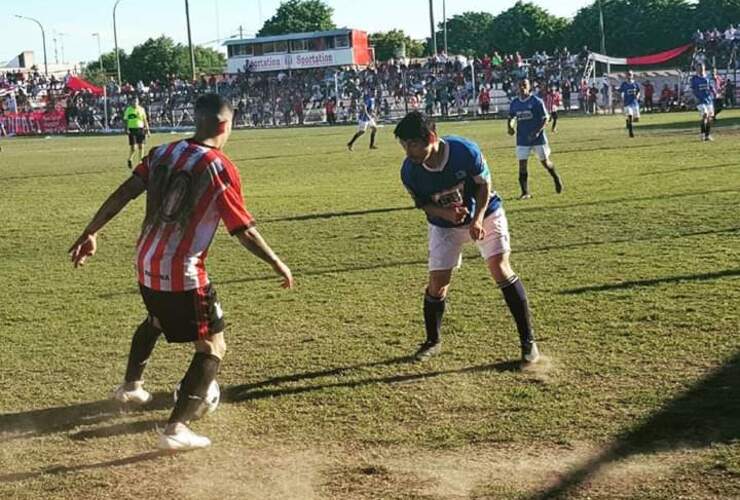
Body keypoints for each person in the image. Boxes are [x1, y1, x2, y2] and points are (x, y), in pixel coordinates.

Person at [68, 94, 294, 451]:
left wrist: (91, 231)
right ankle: (176, 428)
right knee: (213, 345)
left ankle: (131, 388)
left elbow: (125, 192)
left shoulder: (161, 152)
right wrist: (276, 262)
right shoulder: (218, 166)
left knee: (157, 319)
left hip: (145, 261)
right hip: (183, 270)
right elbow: (242, 228)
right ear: (225, 125)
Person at [395, 110, 541, 364]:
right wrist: (446, 214)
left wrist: (477, 218)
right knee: (437, 284)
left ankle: (528, 343)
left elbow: (484, 185)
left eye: (413, 145)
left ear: (431, 137)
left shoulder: (464, 151)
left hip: (486, 213)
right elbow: (423, 204)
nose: (408, 152)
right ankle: (433, 341)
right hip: (444, 224)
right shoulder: (409, 170)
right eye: (404, 146)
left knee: (499, 266)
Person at [507, 79, 563, 200]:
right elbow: (511, 117)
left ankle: (556, 177)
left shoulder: (536, 101)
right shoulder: (515, 103)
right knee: (522, 164)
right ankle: (525, 192)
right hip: (522, 138)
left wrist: (537, 132)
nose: (522, 87)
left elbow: (545, 119)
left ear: (529, 87)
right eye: (520, 85)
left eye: (524, 85)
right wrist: (510, 127)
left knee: (545, 162)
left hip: (538, 139)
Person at [123, 96, 150, 168]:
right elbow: (126, 120)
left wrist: (147, 129)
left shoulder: (141, 109)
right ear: (131, 102)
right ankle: (130, 159)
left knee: (141, 146)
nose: (135, 103)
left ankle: (140, 162)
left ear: (138, 102)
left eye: (136, 102)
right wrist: (126, 128)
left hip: (140, 129)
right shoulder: (128, 110)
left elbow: (145, 120)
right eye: (134, 101)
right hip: (132, 129)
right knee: (133, 147)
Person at [691, 63, 715, 141]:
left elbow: (711, 88)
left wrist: (716, 93)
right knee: (705, 114)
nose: (700, 69)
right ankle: (702, 134)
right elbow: (692, 90)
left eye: (702, 68)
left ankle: (707, 135)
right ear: (696, 69)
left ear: (704, 68)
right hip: (700, 100)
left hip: (708, 100)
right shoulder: (694, 79)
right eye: (698, 68)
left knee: (710, 118)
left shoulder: (707, 78)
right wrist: (695, 98)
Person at [618, 70, 641, 138]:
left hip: (635, 103)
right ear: (626, 76)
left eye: (630, 74)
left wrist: (638, 96)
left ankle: (627, 121)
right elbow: (620, 91)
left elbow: (639, 91)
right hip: (627, 103)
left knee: (636, 119)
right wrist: (616, 91)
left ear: (632, 75)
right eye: (628, 74)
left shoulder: (635, 84)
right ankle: (631, 133)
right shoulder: (624, 84)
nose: (629, 76)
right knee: (630, 116)